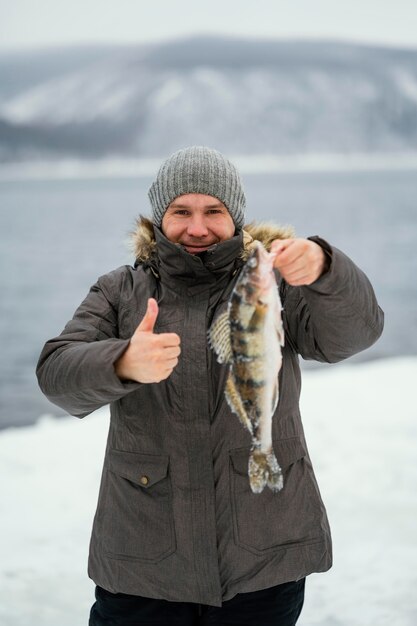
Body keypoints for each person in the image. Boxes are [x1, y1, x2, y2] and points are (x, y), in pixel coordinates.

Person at [36, 146, 384, 626]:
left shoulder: (275, 283)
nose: (197, 228)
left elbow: (353, 334)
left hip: (263, 557)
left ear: (236, 217)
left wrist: (326, 270)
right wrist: (121, 361)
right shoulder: (119, 290)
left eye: (213, 211)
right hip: (143, 562)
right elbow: (56, 374)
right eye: (181, 211)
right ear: (159, 217)